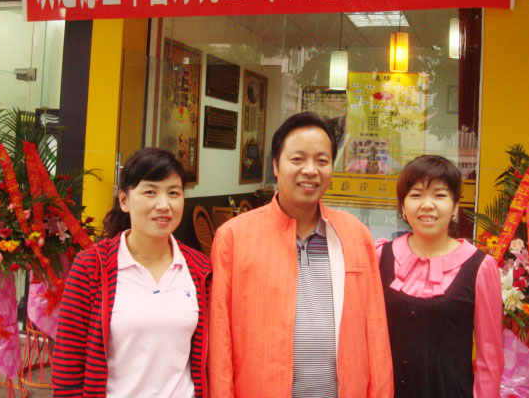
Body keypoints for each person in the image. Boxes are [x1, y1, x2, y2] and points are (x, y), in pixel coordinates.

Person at [209, 112, 393, 398]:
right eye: (297, 159)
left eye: (322, 160)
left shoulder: (355, 234)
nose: (310, 170)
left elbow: (376, 332)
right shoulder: (234, 237)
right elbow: (220, 339)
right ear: (276, 165)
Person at [52, 148, 211, 397]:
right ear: (124, 200)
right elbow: (68, 362)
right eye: (150, 192)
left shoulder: (200, 269)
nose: (164, 205)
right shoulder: (92, 267)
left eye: (173, 193)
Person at [375, 155, 503, 398]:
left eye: (440, 195)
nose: (427, 204)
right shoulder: (381, 256)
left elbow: (490, 356)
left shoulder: (479, 267)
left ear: (454, 206)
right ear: (403, 206)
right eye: (416, 195)